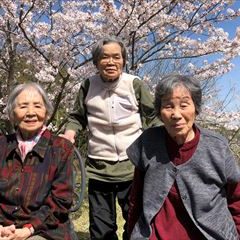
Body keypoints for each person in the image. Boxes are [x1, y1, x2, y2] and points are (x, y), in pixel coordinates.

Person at [62, 36, 160, 240]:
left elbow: (153, 117)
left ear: (124, 60)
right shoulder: (88, 85)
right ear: (96, 62)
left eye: (116, 57)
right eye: (104, 57)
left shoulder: (134, 84)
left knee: (136, 224)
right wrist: (69, 133)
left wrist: (160, 145)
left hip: (132, 167)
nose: (111, 62)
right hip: (99, 168)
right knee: (101, 229)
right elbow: (76, 117)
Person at [127, 74, 240, 240]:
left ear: (196, 107)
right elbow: (135, 199)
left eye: (184, 105)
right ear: (159, 111)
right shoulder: (148, 142)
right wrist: (131, 233)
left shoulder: (217, 147)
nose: (176, 114)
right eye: (168, 106)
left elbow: (237, 198)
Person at [0, 82, 76, 240]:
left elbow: (61, 201)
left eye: (37, 106)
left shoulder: (61, 148)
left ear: (47, 112)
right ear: (12, 113)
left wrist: (28, 230)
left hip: (45, 229)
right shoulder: (2, 145)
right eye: (23, 107)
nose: (30, 113)